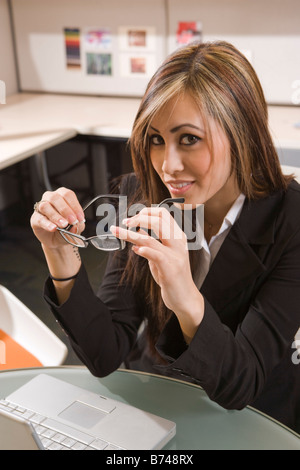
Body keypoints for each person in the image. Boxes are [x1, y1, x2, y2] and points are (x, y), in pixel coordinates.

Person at [31, 41, 300, 433]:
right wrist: (62, 261)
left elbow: (243, 383)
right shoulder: (140, 195)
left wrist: (185, 297)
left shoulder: (291, 219)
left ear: (241, 133)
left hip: (252, 416)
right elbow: (106, 354)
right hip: (159, 400)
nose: (167, 167)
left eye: (189, 138)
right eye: (156, 139)